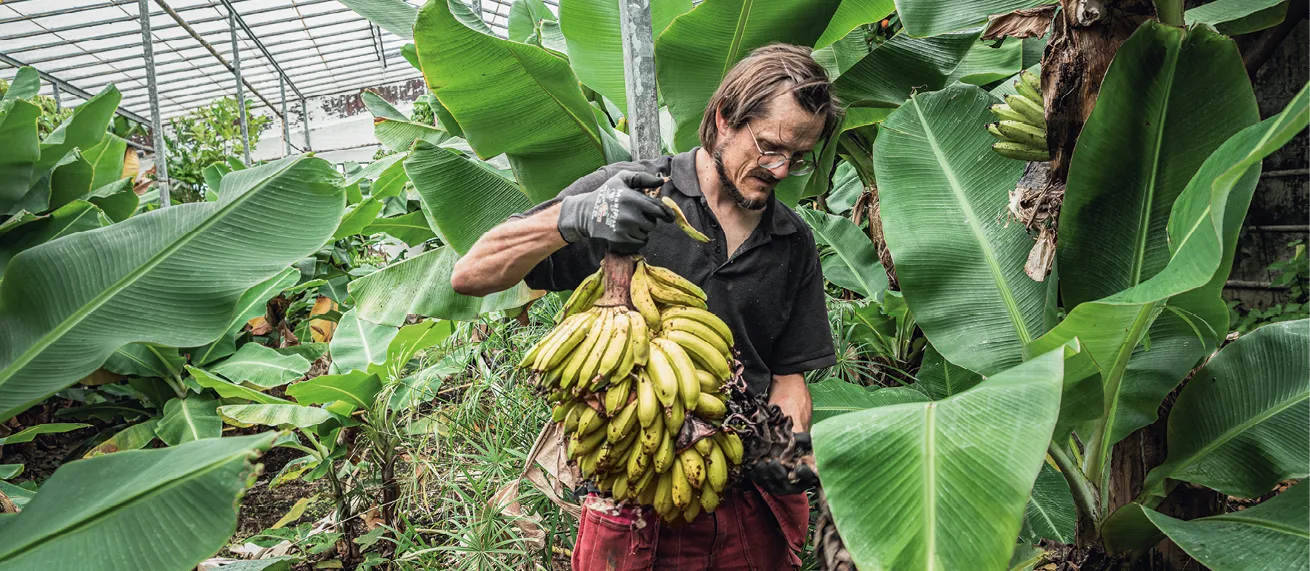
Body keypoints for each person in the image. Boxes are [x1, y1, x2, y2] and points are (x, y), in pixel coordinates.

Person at [450, 43, 842, 571]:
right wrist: (575, 216)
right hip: (629, 484)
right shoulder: (630, 197)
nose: (779, 168)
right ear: (724, 118)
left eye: (797, 158)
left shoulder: (791, 241)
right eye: (769, 147)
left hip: (743, 489)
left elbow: (789, 376)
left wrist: (783, 449)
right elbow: (470, 275)